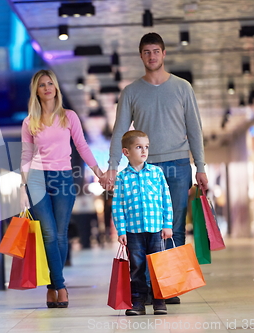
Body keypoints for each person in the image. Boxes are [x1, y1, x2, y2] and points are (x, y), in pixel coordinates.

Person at [100, 32, 208, 304]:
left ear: (163, 54)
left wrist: (201, 166)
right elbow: (119, 130)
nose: (152, 56)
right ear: (141, 56)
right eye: (147, 51)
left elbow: (195, 129)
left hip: (178, 164)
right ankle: (148, 287)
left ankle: (169, 286)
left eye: (156, 51)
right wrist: (112, 166)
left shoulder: (183, 87)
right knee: (145, 230)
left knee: (174, 227)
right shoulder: (132, 92)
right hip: (144, 168)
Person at [19, 69, 103, 308]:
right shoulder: (29, 122)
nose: (47, 88)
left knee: (59, 233)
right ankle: (60, 287)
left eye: (50, 84)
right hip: (36, 178)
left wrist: (98, 172)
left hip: (63, 177)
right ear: (36, 90)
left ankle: (52, 286)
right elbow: (26, 154)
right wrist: (23, 184)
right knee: (47, 232)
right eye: (42, 85)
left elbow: (82, 146)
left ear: (55, 87)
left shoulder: (68, 117)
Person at [112, 130, 173, 316]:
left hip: (156, 229)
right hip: (133, 231)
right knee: (137, 266)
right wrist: (121, 230)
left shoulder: (156, 173)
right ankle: (137, 302)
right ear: (126, 152)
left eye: (146, 147)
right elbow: (118, 206)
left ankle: (159, 300)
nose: (144, 151)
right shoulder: (122, 178)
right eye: (139, 147)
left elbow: (166, 198)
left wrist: (167, 224)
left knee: (157, 265)